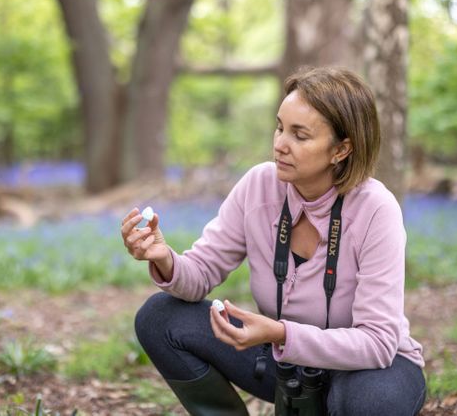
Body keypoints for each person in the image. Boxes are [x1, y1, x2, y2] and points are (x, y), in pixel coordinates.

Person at [120, 67, 426, 415]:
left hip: (365, 370)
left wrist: (282, 334)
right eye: (280, 127)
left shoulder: (375, 208)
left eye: (300, 135)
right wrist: (164, 258)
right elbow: (201, 273)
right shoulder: (259, 186)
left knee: (372, 402)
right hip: (285, 362)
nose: (280, 144)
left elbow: (378, 343)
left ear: (341, 149)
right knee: (160, 317)